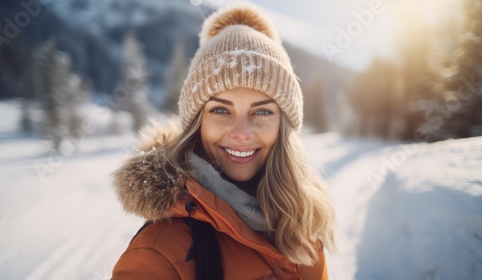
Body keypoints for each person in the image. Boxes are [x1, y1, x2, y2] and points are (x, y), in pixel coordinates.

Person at [112, 3, 335, 279]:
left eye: (262, 111)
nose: (241, 132)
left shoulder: (301, 221)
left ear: (283, 125)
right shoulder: (159, 254)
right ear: (197, 123)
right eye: (220, 110)